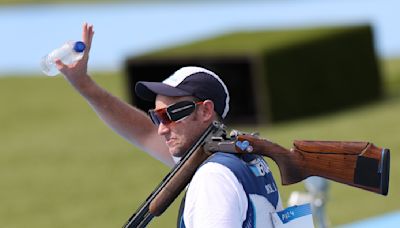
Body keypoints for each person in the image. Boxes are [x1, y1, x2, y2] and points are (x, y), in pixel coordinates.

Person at [56, 23, 283, 227]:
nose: (161, 129)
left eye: (171, 115)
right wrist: (85, 85)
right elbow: (143, 132)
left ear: (205, 111)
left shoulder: (212, 177)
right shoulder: (241, 157)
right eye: (157, 117)